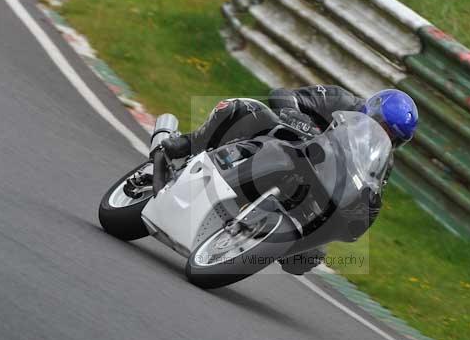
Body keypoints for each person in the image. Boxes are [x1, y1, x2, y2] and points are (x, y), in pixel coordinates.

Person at [161, 85, 419, 274]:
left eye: (393, 136)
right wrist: (300, 119)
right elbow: (282, 94)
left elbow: (368, 193)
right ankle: (185, 145)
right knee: (245, 110)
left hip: (310, 189)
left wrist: (362, 211)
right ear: (371, 110)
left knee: (309, 257)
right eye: (384, 126)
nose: (385, 135)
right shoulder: (340, 99)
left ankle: (251, 238)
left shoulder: (383, 163)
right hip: (285, 145)